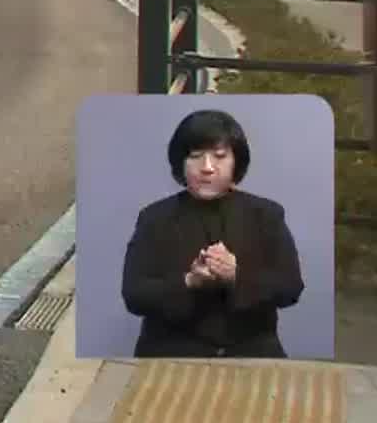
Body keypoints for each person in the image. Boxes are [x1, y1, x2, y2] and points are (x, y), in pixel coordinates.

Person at [121, 108, 304, 358]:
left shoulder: (266, 214)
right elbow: (133, 295)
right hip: (171, 353)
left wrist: (236, 276)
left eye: (219, 156)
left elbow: (290, 287)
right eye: (196, 156)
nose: (207, 168)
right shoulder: (154, 218)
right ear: (180, 162)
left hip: (252, 353)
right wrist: (189, 281)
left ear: (236, 161)